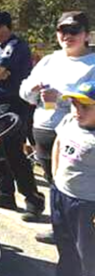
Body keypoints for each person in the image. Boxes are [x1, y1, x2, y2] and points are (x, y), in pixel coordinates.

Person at [20, 12, 95, 240]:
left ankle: (83, 233)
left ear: (87, 35)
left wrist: (61, 97)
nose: (67, 36)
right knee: (55, 182)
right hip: (43, 131)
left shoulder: (92, 63)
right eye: (63, 30)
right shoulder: (49, 60)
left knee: (80, 185)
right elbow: (24, 92)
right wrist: (32, 89)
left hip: (78, 135)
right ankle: (60, 227)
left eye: (74, 31)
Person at [0, 11, 45, 216]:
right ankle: (5, 194)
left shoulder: (16, 46)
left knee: (13, 151)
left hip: (12, 106)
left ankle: (32, 198)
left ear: (4, 26)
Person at [50, 82, 95, 276]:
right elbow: (58, 143)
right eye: (75, 104)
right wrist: (55, 175)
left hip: (87, 204)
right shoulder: (69, 121)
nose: (78, 110)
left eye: (85, 106)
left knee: (87, 253)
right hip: (61, 194)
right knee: (64, 244)